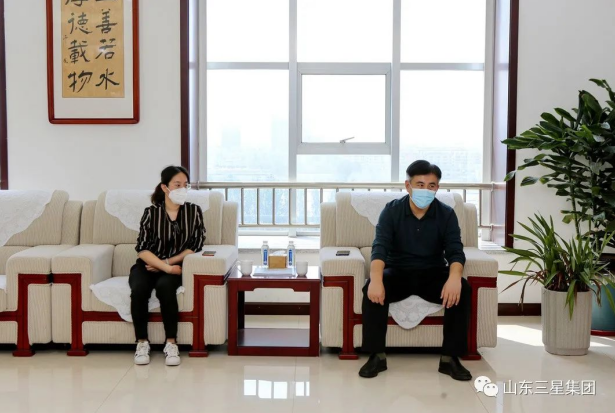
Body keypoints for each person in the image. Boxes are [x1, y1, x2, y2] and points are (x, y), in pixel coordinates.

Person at [359, 160, 472, 381]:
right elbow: (380, 247)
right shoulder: (391, 211)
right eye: (420, 184)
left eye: (431, 186)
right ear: (408, 185)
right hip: (398, 272)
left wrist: (454, 278)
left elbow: (455, 251)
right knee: (371, 289)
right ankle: (376, 356)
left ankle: (450, 359)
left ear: (437, 188)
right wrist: (376, 279)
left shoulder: (447, 214)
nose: (425, 190)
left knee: (463, 289)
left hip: (432, 273)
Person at [130, 165, 206, 366]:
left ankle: (171, 343)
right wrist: (165, 267)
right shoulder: (151, 213)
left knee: (165, 288)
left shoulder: (194, 211)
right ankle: (142, 342)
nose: (183, 189)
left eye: (185, 185)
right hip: (147, 265)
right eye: (177, 185)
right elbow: (142, 249)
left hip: (174, 266)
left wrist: (167, 264)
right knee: (139, 289)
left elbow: (195, 246)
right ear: (165, 187)